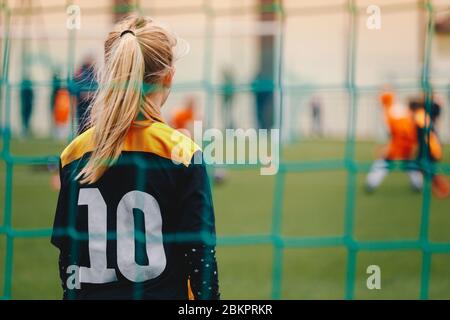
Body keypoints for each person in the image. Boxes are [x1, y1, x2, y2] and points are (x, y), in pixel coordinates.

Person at [51, 15, 220, 300]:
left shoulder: (74, 154)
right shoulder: (183, 153)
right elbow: (201, 261)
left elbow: (68, 259)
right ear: (168, 76)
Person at [365, 90, 423, 192]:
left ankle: (371, 183)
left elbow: (398, 132)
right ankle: (417, 184)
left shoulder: (390, 111)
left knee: (384, 161)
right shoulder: (398, 108)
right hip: (408, 141)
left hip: (401, 142)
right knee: (409, 162)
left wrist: (388, 147)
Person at [72, 52, 97, 134]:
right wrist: (81, 93)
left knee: (90, 121)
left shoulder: (94, 72)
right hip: (81, 101)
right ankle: (81, 136)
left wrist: (92, 94)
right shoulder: (79, 72)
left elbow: (97, 85)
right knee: (81, 121)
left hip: (91, 101)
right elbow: (75, 85)